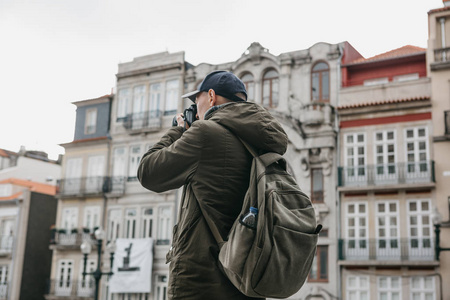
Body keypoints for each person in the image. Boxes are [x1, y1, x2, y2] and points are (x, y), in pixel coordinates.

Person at [137, 70, 288, 300]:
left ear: (211, 96)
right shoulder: (259, 141)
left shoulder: (205, 134)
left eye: (195, 100)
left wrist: (178, 131)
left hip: (200, 281)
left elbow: (148, 172)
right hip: (246, 278)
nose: (194, 109)